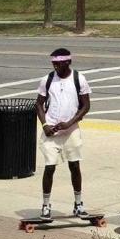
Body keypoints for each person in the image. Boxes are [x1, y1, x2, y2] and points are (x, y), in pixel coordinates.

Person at [35, 48, 91, 220]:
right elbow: (38, 104)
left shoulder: (78, 79)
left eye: (58, 63)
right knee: (50, 167)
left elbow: (86, 105)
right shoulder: (48, 79)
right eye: (53, 63)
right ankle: (45, 205)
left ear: (68, 62)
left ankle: (78, 203)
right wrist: (45, 125)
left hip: (71, 130)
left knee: (74, 165)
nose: (55, 66)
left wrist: (70, 122)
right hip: (51, 131)